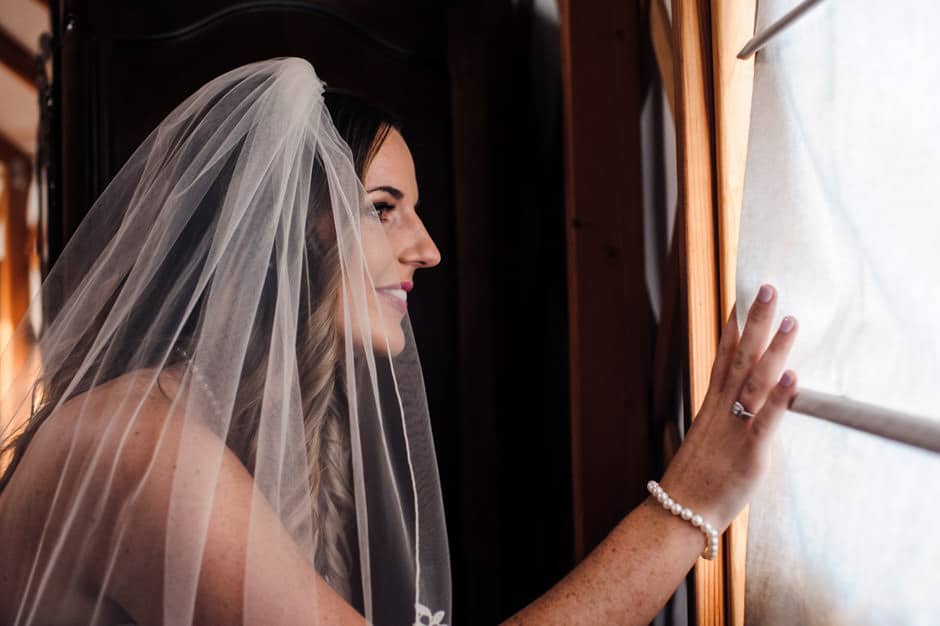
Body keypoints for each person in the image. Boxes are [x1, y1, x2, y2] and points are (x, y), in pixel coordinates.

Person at [0, 58, 798, 626]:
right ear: (284, 230)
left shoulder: (244, 424)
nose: (426, 249)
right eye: (384, 207)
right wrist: (686, 505)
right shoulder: (142, 451)